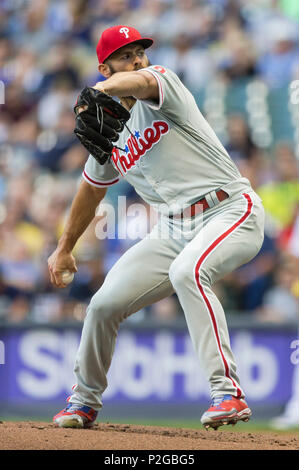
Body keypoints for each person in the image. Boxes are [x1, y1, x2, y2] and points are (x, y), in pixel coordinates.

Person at [49, 25, 265, 430]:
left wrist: (105, 87)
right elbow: (90, 191)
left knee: (189, 271)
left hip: (230, 209)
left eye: (139, 52)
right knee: (102, 305)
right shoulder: (110, 130)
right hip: (174, 229)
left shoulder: (162, 83)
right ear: (104, 63)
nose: (136, 59)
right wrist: (64, 248)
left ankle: (228, 393)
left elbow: (142, 80)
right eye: (125, 54)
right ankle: (83, 401)